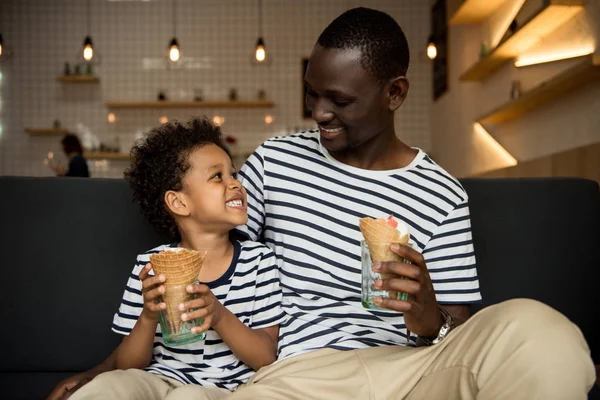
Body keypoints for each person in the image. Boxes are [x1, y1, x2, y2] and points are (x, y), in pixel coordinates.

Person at [48, 7, 595, 400]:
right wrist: (102, 370)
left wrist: (429, 315)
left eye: (340, 100)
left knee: (541, 334)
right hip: (297, 376)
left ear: (395, 93)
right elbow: (212, 245)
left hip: (411, 373)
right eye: (313, 93)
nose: (319, 112)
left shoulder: (444, 194)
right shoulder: (275, 161)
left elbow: (455, 330)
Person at [66, 117, 285, 400]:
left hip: (220, 390)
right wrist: (147, 316)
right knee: (106, 388)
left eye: (234, 174)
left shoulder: (258, 262)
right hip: (157, 379)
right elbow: (128, 365)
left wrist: (218, 314)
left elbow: (265, 357)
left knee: (187, 398)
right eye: (217, 176)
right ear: (179, 202)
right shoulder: (150, 265)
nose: (235, 185)